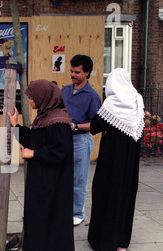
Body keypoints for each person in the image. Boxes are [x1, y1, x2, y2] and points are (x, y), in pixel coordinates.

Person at [7, 79, 75, 251]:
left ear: (43, 97)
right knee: (39, 218)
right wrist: (16, 126)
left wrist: (34, 154)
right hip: (43, 181)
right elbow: (35, 139)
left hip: (53, 185)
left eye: (31, 97)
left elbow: (60, 151)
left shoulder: (58, 121)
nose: (29, 101)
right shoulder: (45, 117)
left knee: (50, 220)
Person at [87, 68, 144, 251]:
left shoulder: (111, 103)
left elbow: (95, 126)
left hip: (111, 162)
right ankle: (121, 242)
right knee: (125, 195)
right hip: (130, 162)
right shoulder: (137, 100)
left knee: (106, 194)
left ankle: (103, 242)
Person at [61, 54, 101, 226]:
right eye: (71, 71)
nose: (72, 75)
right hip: (63, 139)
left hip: (80, 141)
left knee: (78, 179)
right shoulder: (65, 90)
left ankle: (78, 213)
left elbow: (96, 124)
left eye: (77, 72)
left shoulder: (92, 96)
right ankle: (63, 211)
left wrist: (75, 127)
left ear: (87, 73)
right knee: (63, 177)